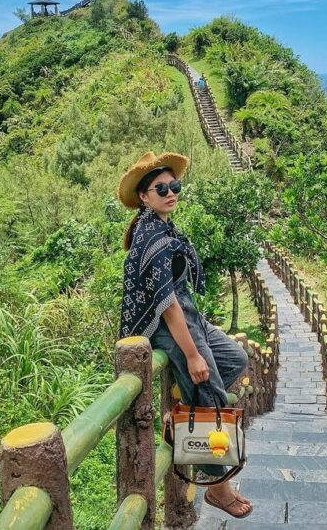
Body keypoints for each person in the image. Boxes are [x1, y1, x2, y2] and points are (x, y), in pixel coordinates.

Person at [117, 151, 253, 519]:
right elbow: (167, 304)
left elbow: (180, 298)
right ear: (144, 196)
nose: (170, 192)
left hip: (189, 317)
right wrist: (192, 354)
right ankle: (218, 489)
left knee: (235, 358)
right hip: (168, 327)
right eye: (160, 188)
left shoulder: (163, 227)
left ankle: (179, 417)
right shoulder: (151, 237)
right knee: (208, 392)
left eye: (174, 186)